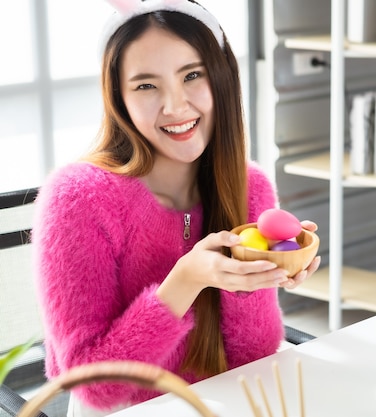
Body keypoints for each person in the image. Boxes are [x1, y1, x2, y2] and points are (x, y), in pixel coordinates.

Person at [31, 1, 321, 415]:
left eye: (192, 75)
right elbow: (93, 386)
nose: (175, 106)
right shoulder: (78, 198)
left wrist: (254, 273)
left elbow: (253, 355)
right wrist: (185, 281)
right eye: (146, 85)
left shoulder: (248, 184)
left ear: (220, 77)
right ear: (119, 98)